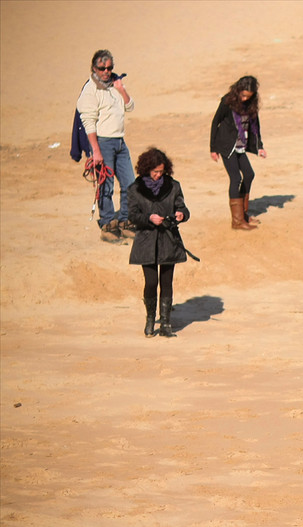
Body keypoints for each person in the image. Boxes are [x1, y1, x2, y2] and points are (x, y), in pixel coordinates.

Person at [127, 148, 191, 338]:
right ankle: (149, 320)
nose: (157, 175)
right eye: (155, 172)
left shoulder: (174, 186)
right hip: (146, 242)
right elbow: (132, 215)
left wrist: (181, 215)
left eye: (161, 172)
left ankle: (165, 323)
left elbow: (183, 208)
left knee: (167, 282)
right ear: (146, 169)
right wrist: (149, 218)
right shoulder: (134, 189)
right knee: (151, 282)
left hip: (168, 240)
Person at [77, 49, 136, 244]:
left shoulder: (114, 84)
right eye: (102, 68)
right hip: (103, 143)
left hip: (120, 141)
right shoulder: (90, 91)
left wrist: (121, 89)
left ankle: (126, 221)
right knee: (106, 186)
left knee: (129, 183)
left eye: (109, 67)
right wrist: (95, 151)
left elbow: (130, 106)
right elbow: (88, 122)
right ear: (94, 68)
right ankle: (108, 224)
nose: (106, 71)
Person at [210, 75, 267, 231]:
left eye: (247, 96)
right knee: (236, 178)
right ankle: (237, 221)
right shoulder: (227, 101)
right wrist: (213, 148)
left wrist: (259, 146)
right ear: (237, 91)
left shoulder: (251, 105)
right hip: (226, 145)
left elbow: (256, 126)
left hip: (241, 145)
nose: (244, 99)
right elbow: (216, 122)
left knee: (249, 175)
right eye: (242, 95)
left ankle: (243, 215)